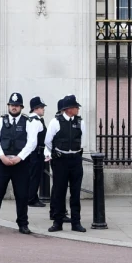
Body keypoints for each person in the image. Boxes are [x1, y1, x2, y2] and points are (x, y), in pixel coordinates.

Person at [0, 92, 40, 236]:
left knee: (22, 195)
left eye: (17, 105)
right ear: (8, 106)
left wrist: (19, 158)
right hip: (2, 163)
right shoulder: (0, 121)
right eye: (12, 105)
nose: (14, 107)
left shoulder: (28, 122)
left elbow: (32, 142)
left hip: (20, 164)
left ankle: (23, 224)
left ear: (21, 107)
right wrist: (2, 156)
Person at [45, 94, 86, 233]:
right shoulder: (55, 122)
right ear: (68, 109)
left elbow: (83, 140)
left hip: (75, 159)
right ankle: (57, 222)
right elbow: (48, 141)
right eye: (76, 107)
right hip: (61, 160)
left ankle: (76, 222)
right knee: (59, 192)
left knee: (75, 192)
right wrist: (55, 154)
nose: (78, 109)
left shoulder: (80, 122)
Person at [25, 97, 48, 208]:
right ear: (36, 108)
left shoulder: (33, 120)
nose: (43, 109)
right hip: (36, 152)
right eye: (41, 107)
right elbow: (32, 140)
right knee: (35, 176)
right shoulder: (35, 122)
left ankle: (32, 197)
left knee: (34, 175)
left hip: (35, 152)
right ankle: (31, 199)